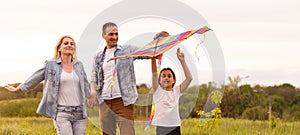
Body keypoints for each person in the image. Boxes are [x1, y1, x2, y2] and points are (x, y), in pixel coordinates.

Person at [88, 22, 167, 135]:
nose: (114, 37)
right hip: (104, 102)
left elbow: (148, 53)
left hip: (123, 102)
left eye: (116, 34)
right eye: (111, 34)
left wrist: (157, 40)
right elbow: (94, 78)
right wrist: (93, 91)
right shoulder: (99, 57)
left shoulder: (127, 50)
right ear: (103, 35)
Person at [4, 35, 91, 135]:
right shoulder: (51, 64)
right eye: (66, 43)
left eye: (72, 44)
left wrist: (95, 99)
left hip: (79, 113)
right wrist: (19, 88)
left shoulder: (79, 65)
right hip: (61, 113)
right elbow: (35, 78)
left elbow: (85, 85)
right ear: (59, 48)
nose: (69, 45)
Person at [150, 48, 192, 135]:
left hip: (175, 127)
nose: (166, 78)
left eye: (169, 76)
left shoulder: (177, 90)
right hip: (161, 127)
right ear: (159, 80)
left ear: (173, 80)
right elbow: (154, 74)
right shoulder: (157, 91)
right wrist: (153, 57)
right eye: (163, 76)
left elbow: (189, 78)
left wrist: (182, 61)